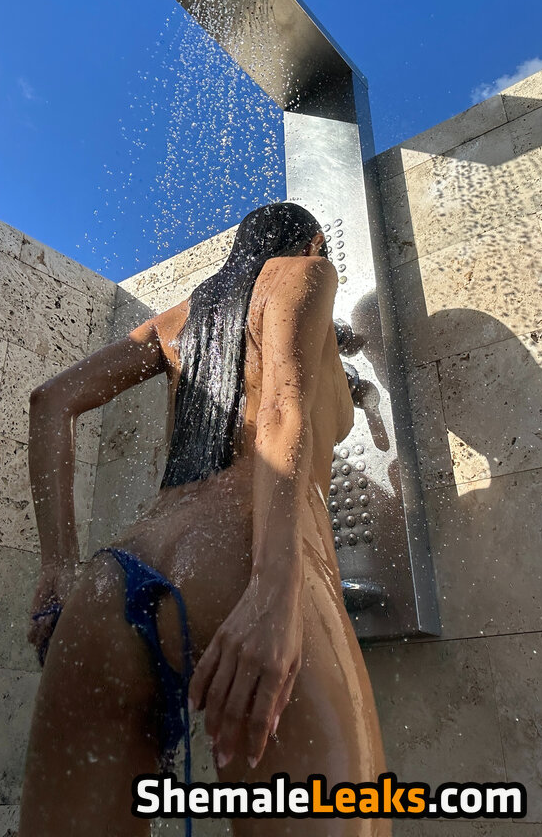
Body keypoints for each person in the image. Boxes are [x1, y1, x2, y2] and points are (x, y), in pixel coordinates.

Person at [19, 201, 390, 837]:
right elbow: (280, 409)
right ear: (313, 243)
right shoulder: (302, 274)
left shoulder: (183, 319)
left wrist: (58, 567)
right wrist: (273, 593)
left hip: (112, 582)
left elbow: (50, 401)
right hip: (241, 571)